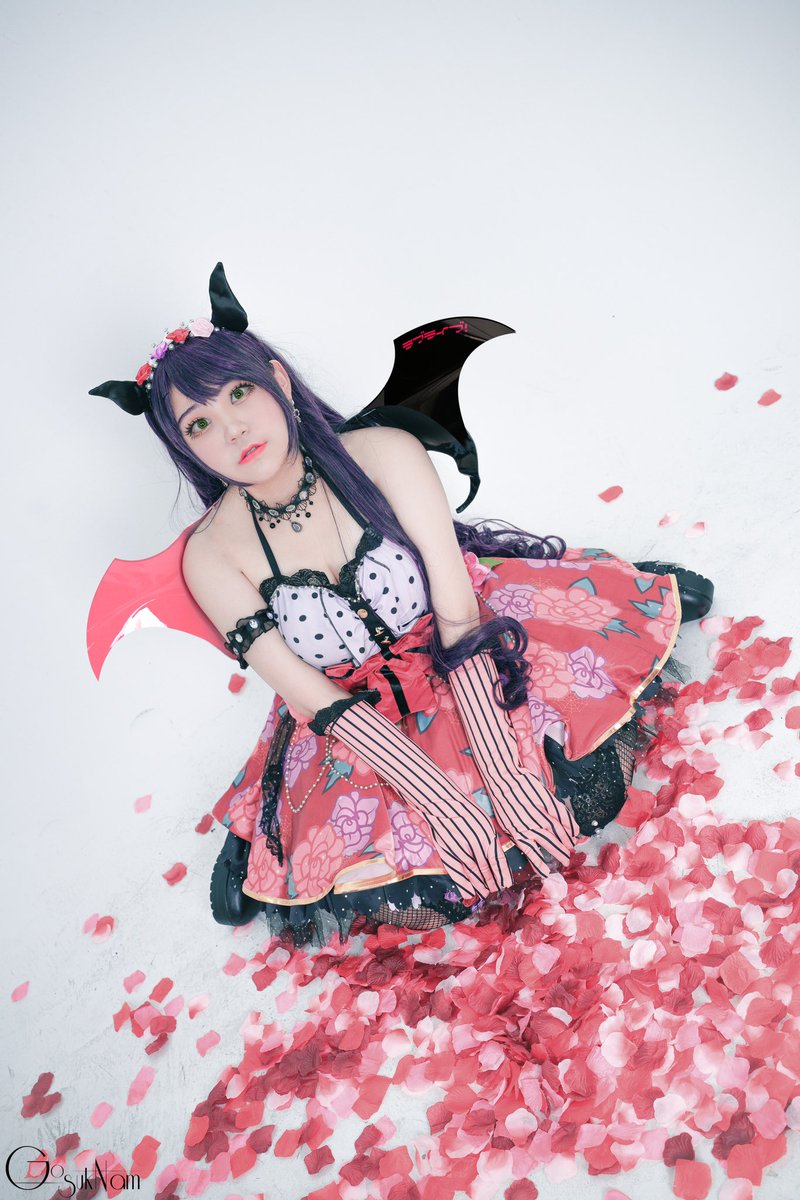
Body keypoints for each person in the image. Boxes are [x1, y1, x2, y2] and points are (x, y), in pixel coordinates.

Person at [90, 267, 711, 950]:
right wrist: (435, 795)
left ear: (278, 381)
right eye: (201, 423)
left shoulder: (385, 452)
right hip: (347, 709)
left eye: (240, 392)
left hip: (463, 639)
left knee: (548, 768)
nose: (233, 428)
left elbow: (453, 598)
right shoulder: (210, 556)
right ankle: (255, 835)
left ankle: (627, 585)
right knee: (413, 855)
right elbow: (305, 691)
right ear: (184, 446)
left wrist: (503, 766)